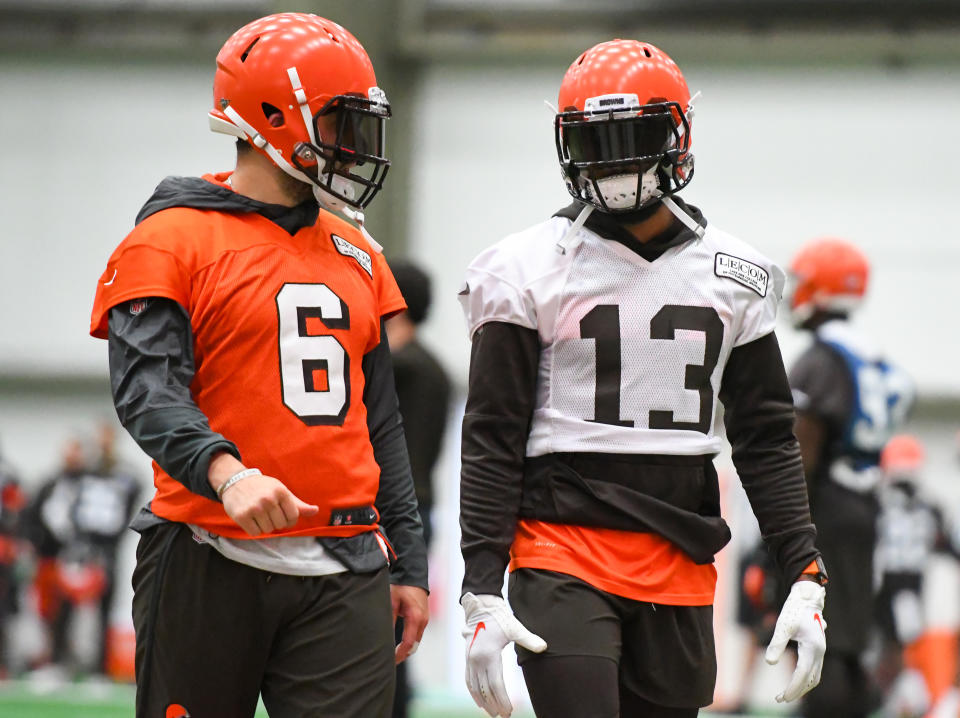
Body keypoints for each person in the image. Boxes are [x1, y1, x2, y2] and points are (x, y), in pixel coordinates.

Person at [457, 39, 828, 718]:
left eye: (637, 136)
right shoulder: (525, 266)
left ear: (676, 135)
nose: (619, 159)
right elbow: (492, 432)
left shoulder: (737, 273)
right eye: (599, 140)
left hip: (679, 558)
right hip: (560, 546)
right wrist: (479, 584)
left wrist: (803, 570)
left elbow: (767, 437)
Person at [88, 13, 428, 718]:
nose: (356, 145)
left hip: (345, 562)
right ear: (272, 117)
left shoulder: (358, 253)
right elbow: (146, 391)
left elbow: (380, 423)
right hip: (208, 552)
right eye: (340, 122)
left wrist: (410, 566)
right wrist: (226, 471)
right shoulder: (170, 239)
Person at [787, 237, 914, 718]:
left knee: (820, 638)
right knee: (849, 636)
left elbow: (800, 454)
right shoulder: (871, 356)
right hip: (864, 502)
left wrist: (780, 532)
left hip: (826, 509)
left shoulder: (820, 359)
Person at [386, 260, 452, 718]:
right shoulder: (436, 369)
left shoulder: (397, 367)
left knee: (382, 637)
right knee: (396, 632)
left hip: (391, 512)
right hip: (419, 510)